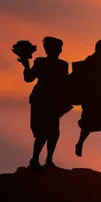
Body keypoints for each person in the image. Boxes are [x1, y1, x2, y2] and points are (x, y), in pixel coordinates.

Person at [21, 36, 71, 169]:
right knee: (45, 133)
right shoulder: (54, 64)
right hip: (44, 100)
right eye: (59, 47)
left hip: (50, 100)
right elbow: (29, 78)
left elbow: (28, 78)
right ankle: (37, 160)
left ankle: (45, 160)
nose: (61, 49)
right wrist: (26, 65)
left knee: (52, 133)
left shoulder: (55, 64)